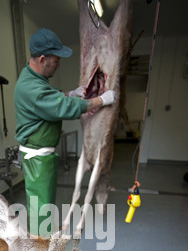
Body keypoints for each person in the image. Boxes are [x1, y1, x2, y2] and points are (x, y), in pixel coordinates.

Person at [14, 27, 115, 236]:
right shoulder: (31, 87)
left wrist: (69, 92)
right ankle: (40, 249)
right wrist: (100, 100)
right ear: (42, 59)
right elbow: (65, 108)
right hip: (37, 159)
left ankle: (46, 233)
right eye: (56, 60)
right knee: (40, 207)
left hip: (43, 156)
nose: (58, 64)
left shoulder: (33, 78)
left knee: (45, 201)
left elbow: (48, 96)